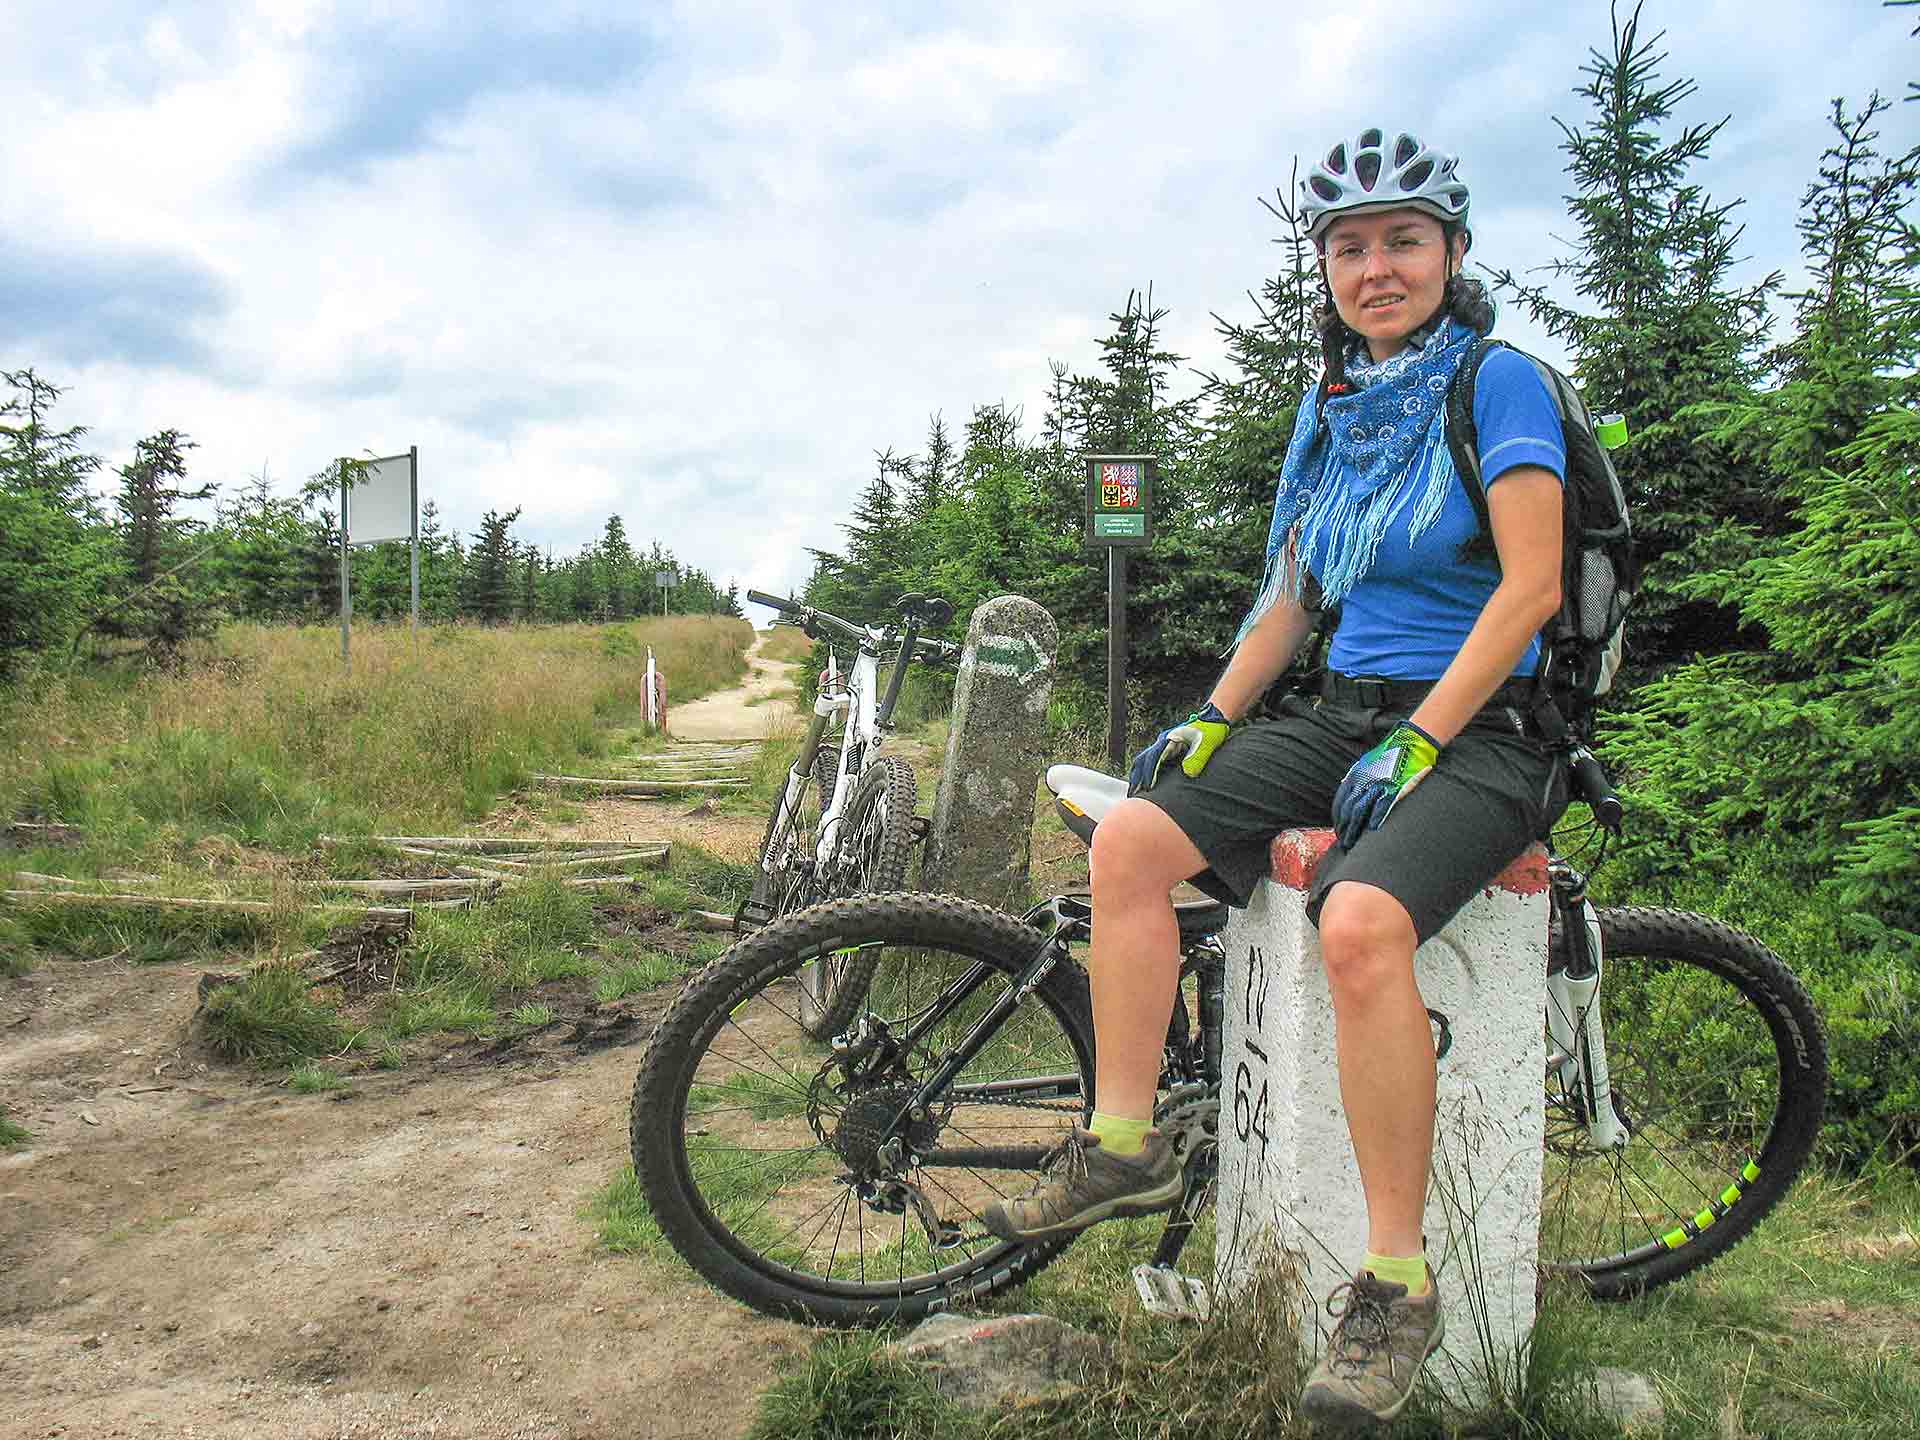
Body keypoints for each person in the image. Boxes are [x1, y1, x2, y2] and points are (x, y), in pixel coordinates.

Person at [982, 127, 1571, 1429]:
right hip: (1348, 712)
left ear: (1453, 254)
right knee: (1131, 842)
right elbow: (1295, 595)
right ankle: (1123, 1146)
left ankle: (1396, 1285)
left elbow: (1530, 588)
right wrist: (1214, 716)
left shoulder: (1501, 385)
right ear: (1326, 270)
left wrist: (1425, 738)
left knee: (1358, 924)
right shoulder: (1338, 404)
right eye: (1349, 248)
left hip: (1488, 728)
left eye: (1403, 241)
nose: (1376, 269)